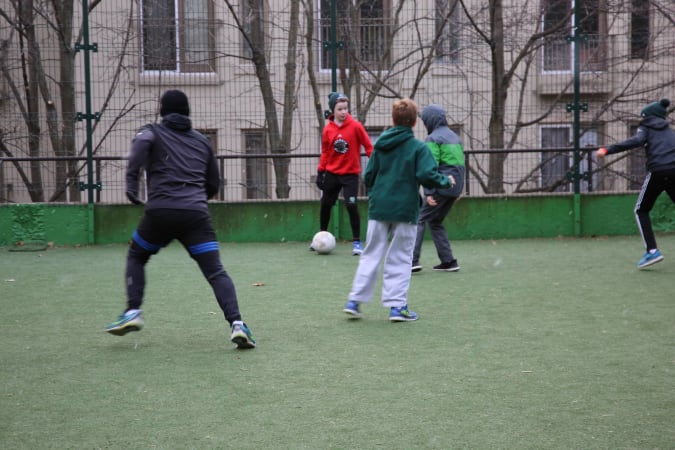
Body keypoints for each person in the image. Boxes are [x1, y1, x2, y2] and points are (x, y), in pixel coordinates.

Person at [104, 89, 256, 349]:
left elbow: (140, 145)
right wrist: (195, 200)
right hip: (196, 216)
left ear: (163, 112)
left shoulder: (151, 131)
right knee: (216, 272)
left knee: (137, 255)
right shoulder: (202, 141)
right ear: (188, 113)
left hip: (160, 213)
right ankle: (238, 324)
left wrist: (132, 183)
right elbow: (213, 183)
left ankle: (133, 311)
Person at [343, 98, 455, 321]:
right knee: (401, 256)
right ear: (414, 122)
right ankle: (397, 307)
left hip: (379, 208)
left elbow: (368, 176)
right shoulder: (418, 148)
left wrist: (379, 192)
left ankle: (354, 301)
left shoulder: (381, 146)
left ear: (393, 119)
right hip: (405, 209)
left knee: (371, 253)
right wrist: (445, 181)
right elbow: (425, 175)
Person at [597, 98, 675, 269]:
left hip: (658, 171)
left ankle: (652, 252)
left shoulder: (645, 127)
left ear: (647, 117)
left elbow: (636, 141)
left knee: (641, 210)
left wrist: (607, 149)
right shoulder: (670, 132)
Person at [315, 92, 373, 255]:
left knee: (351, 205)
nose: (343, 112)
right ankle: (321, 238)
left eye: (346, 108)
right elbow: (325, 152)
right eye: (340, 109)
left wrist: (375, 164)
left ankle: (357, 242)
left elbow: (369, 146)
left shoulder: (356, 126)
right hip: (332, 174)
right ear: (333, 110)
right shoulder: (328, 130)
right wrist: (321, 172)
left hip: (350, 175)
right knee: (326, 204)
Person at [412, 104, 465, 273]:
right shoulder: (455, 137)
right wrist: (457, 190)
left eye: (425, 120)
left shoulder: (433, 139)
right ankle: (449, 261)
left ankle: (412, 261)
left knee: (420, 219)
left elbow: (430, 168)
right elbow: (460, 167)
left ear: (431, 120)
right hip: (453, 188)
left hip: (440, 188)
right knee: (435, 222)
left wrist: (428, 192)